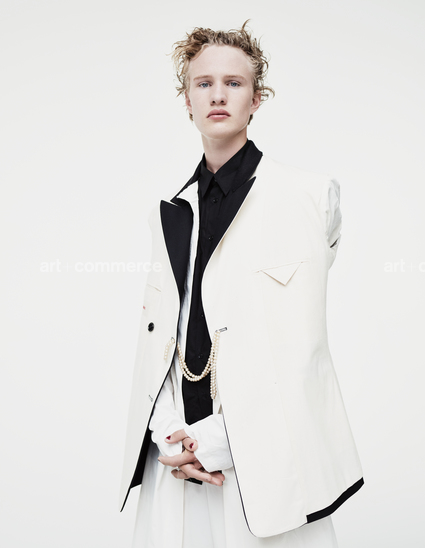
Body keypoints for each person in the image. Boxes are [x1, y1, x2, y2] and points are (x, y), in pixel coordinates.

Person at [120, 21, 364, 548]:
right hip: (174, 460)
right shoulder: (171, 210)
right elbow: (160, 341)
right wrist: (171, 433)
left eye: (233, 83)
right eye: (203, 83)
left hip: (268, 459)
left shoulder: (309, 197)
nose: (218, 95)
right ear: (187, 100)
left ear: (256, 98)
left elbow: (301, 349)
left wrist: (216, 441)